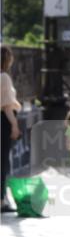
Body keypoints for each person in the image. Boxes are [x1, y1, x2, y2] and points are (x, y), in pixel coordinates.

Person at [0, 45, 21, 212]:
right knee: (2, 162)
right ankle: (1, 201)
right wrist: (14, 125)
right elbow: (7, 106)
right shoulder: (4, 77)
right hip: (3, 121)